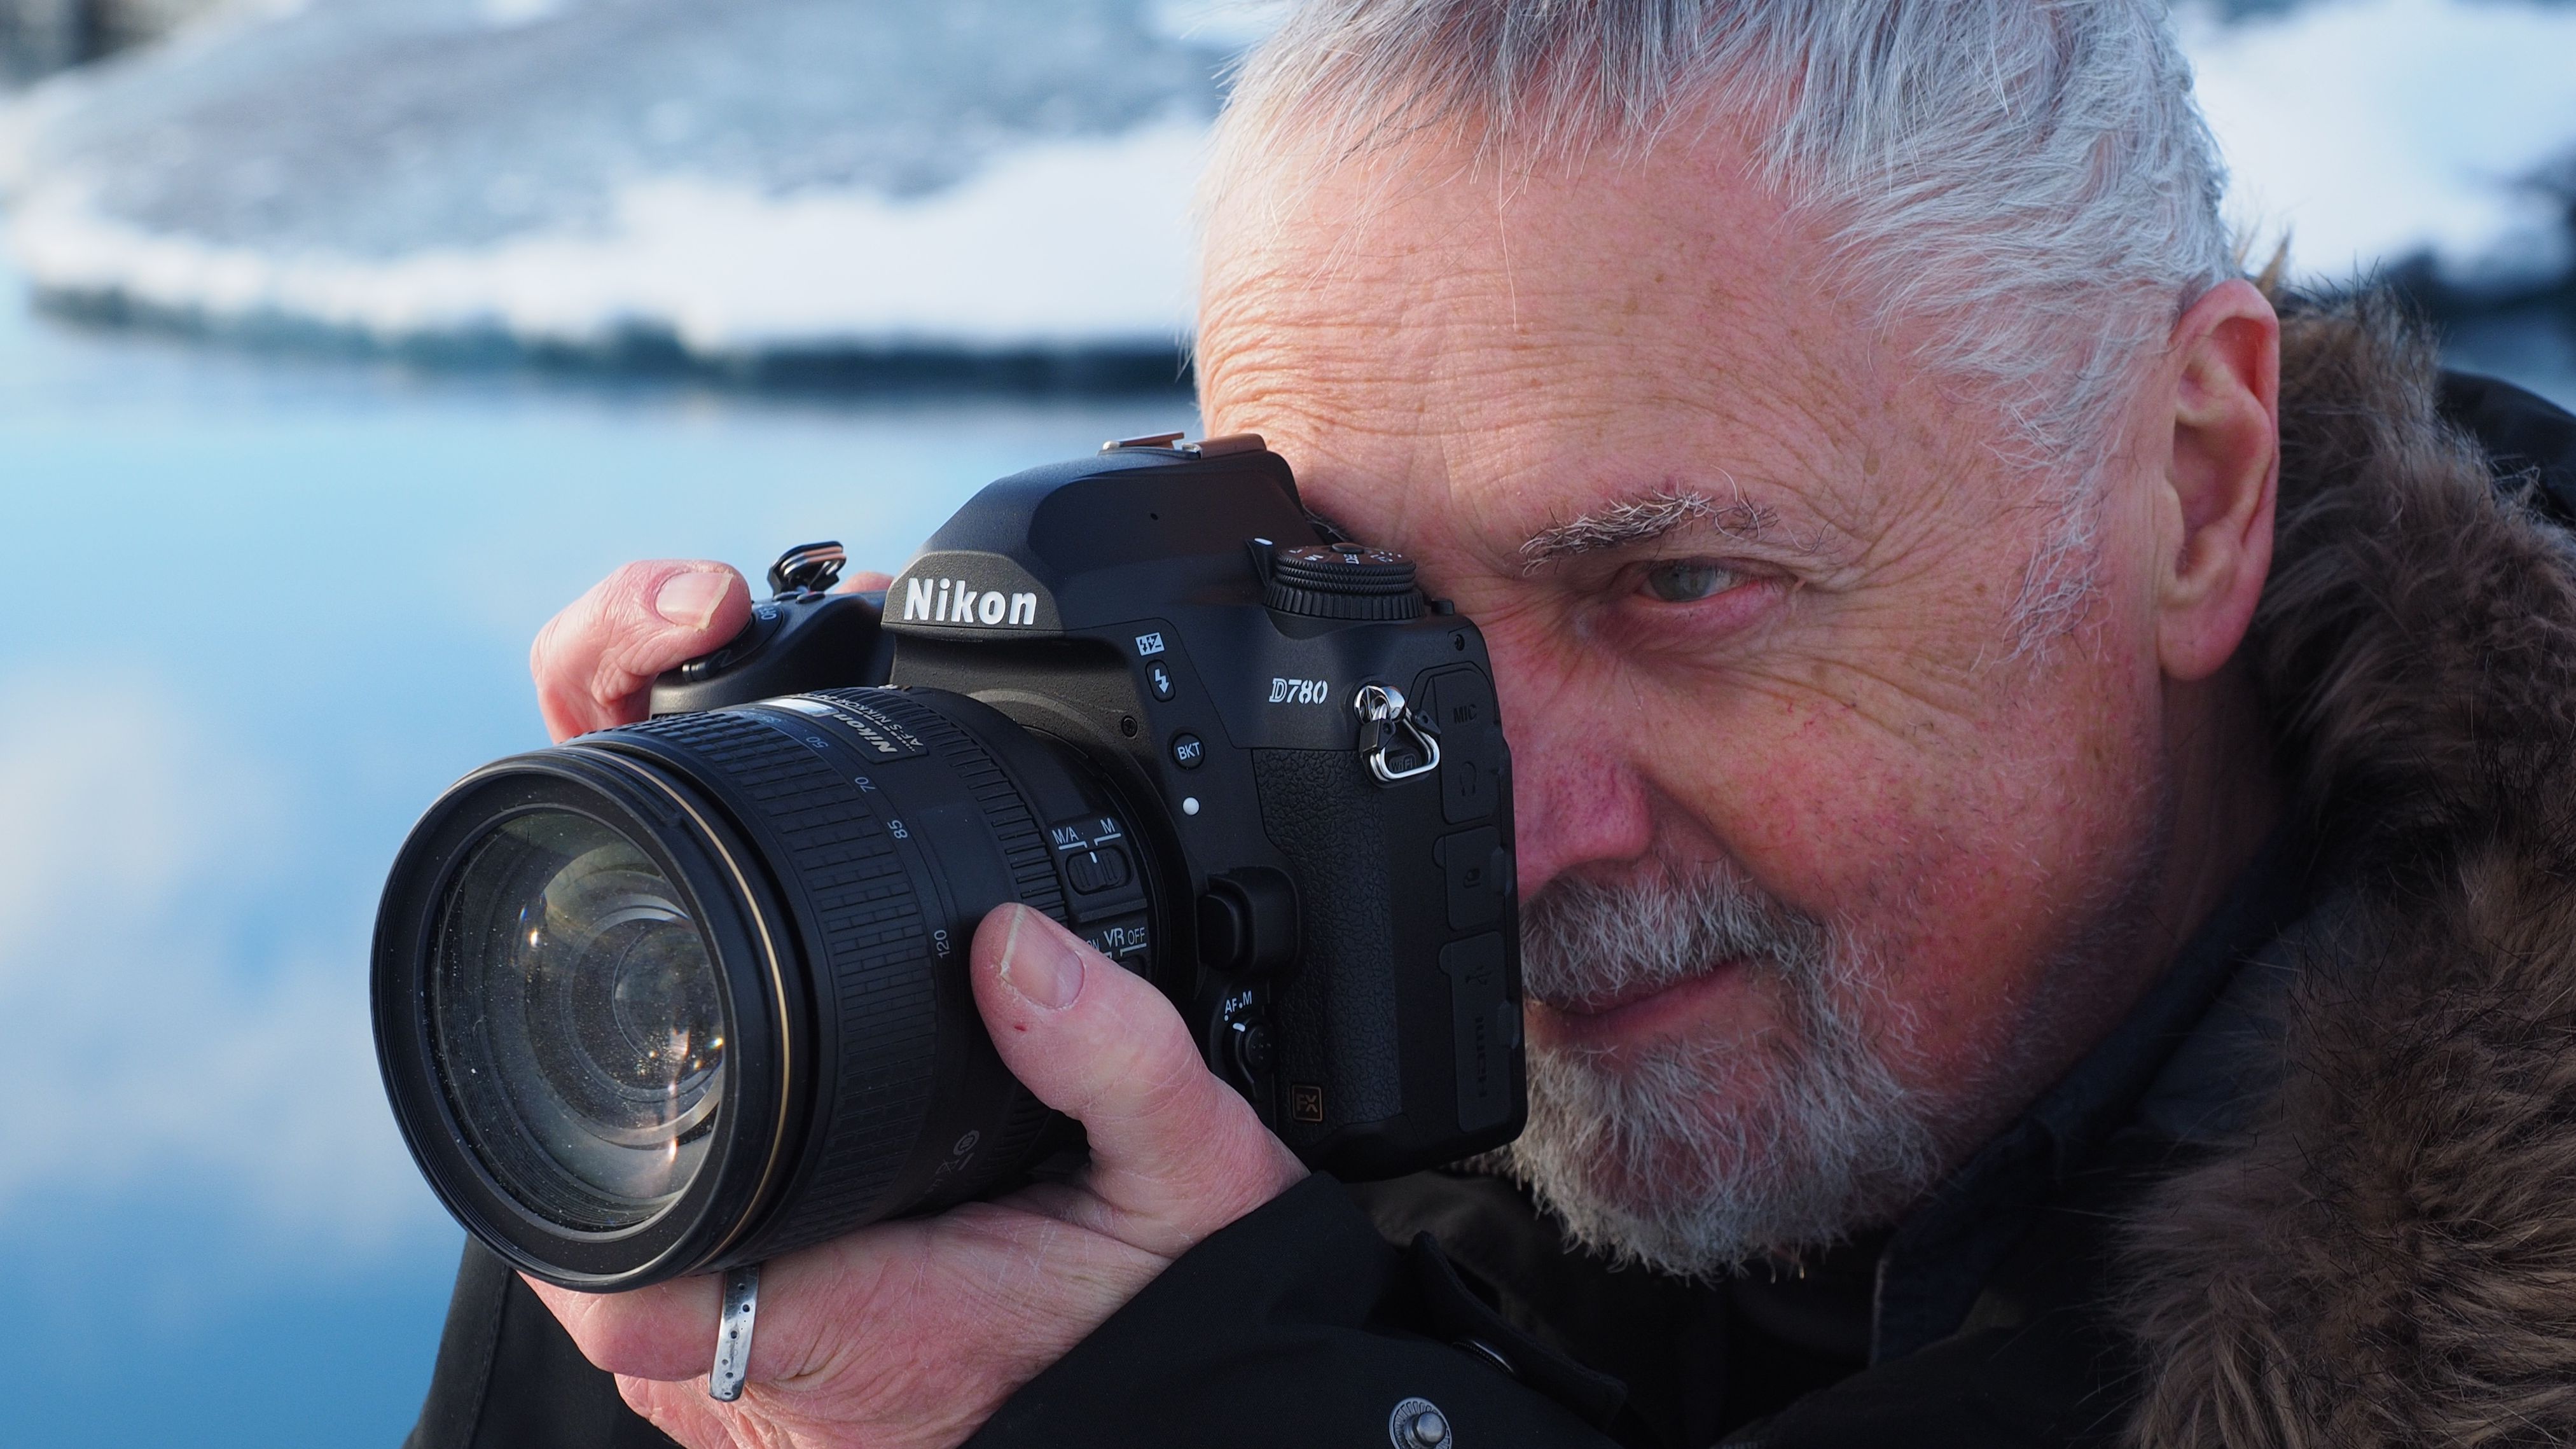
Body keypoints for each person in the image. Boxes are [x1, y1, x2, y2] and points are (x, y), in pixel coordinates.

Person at [403, 3, 2576, 1446]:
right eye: (1346, 619)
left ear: (2190, 486)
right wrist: (749, 1153)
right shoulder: (1193, 1080)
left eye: (1675, 587)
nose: (1497, 843)